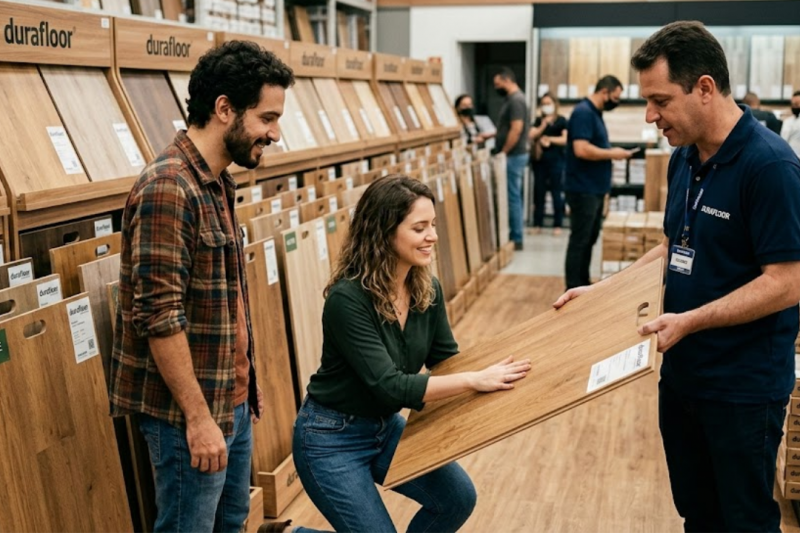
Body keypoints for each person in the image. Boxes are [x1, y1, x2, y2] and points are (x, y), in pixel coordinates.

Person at [555, 21, 800, 533]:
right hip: (683, 377)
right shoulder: (684, 159)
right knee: (698, 515)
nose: (650, 117)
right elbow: (674, 246)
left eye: (660, 100)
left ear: (704, 88)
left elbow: (788, 280)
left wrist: (691, 320)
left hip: (743, 389)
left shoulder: (771, 166)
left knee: (746, 522)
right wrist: (601, 292)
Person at [109, 41, 294, 532]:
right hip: (188, 416)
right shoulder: (169, 186)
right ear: (224, 109)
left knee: (230, 521)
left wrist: (240, 397)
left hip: (228, 403)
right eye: (267, 118)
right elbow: (159, 317)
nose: (275, 133)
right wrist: (198, 418)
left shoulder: (216, 183)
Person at [284, 176, 531, 533]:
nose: (432, 236)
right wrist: (474, 380)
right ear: (384, 232)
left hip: (385, 427)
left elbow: (447, 359)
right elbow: (390, 387)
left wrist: (497, 385)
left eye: (432, 225)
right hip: (330, 438)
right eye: (419, 228)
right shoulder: (347, 300)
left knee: (457, 499)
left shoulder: (425, 288)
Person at [563, 76, 635, 289]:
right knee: (580, 239)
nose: (616, 101)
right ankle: (573, 286)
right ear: (605, 92)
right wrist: (612, 153)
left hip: (593, 188)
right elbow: (581, 149)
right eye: (615, 96)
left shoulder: (594, 113)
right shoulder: (583, 113)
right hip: (582, 188)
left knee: (589, 238)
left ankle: (581, 283)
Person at [493, 67, 531, 250]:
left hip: (513, 155)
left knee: (512, 196)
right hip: (514, 155)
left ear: (507, 80)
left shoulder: (516, 100)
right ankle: (514, 235)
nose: (496, 87)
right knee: (512, 195)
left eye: (498, 84)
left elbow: (516, 129)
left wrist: (504, 152)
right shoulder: (514, 99)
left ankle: (516, 238)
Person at [528, 92, 568, 235]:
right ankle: (537, 223)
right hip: (539, 163)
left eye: (548, 103)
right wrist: (543, 126)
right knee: (539, 193)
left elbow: (565, 139)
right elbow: (531, 135)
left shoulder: (562, 121)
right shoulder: (539, 121)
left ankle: (558, 224)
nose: (546, 106)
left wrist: (549, 139)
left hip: (557, 161)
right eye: (543, 104)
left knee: (557, 193)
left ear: (555, 104)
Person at [781, 90, 800, 157]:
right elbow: (783, 140)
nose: (794, 107)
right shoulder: (788, 121)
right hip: (791, 157)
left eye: (797, 104)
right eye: (793, 104)